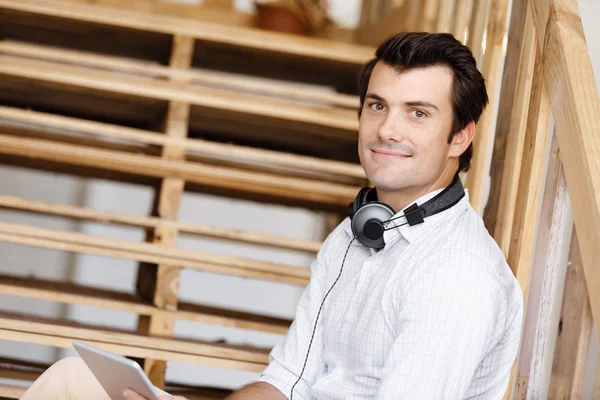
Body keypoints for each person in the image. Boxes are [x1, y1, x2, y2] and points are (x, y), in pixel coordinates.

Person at [20, 32, 523, 400]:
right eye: (377, 105)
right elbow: (288, 381)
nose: (387, 129)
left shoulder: (456, 275)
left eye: (418, 113)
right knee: (77, 382)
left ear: (460, 136)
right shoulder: (356, 235)